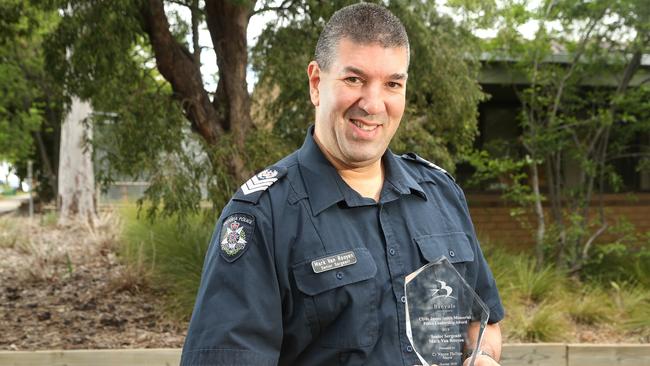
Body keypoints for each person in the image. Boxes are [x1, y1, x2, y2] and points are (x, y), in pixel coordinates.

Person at [180, 3, 504, 366]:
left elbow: (483, 321)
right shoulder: (262, 217)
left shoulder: (442, 196)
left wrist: (484, 359)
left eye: (392, 84)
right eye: (354, 80)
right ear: (317, 83)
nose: (373, 104)